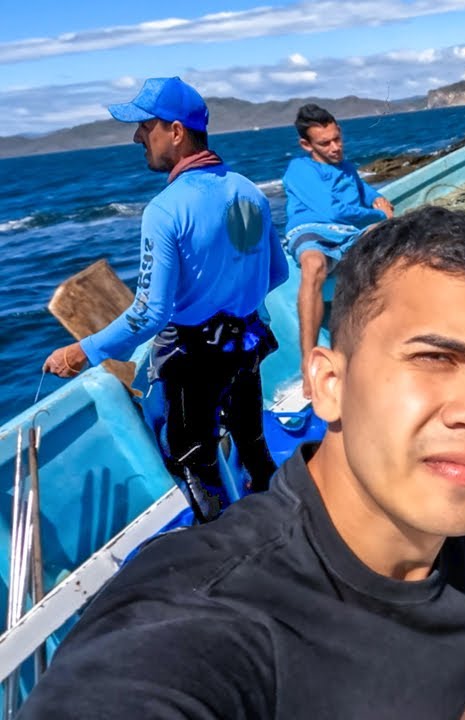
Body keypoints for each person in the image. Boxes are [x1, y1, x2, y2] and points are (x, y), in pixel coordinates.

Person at [19, 207, 465, 719]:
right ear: (329, 384)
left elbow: (441, 672)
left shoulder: (456, 523)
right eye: (436, 358)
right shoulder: (205, 621)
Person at [41, 76, 287, 522]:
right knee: (253, 446)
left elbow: (150, 314)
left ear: (176, 131)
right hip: (246, 347)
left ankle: (226, 555)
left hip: (197, 361)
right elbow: (278, 272)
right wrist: (228, 300)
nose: (137, 136)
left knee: (194, 460)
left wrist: (84, 350)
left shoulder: (165, 210)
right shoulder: (250, 191)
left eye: (145, 126)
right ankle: (291, 531)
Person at [283, 103, 394, 398]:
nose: (335, 147)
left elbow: (365, 193)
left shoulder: (345, 167)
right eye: (325, 143)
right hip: (312, 229)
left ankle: (376, 346)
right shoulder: (299, 169)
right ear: (306, 145)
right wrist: (377, 215)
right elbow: (331, 210)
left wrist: (379, 199)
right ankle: (309, 363)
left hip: (348, 234)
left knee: (388, 252)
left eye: (338, 139)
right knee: (314, 264)